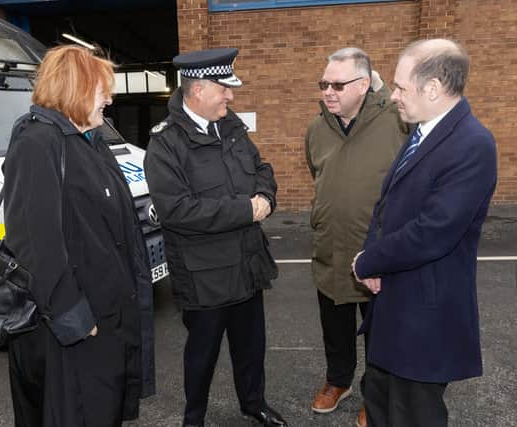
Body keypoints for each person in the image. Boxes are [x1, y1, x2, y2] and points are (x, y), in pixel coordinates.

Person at [2, 45, 154, 427]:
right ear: (75, 88)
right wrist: (75, 318)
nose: (110, 97)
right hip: (76, 330)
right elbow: (37, 243)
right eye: (102, 87)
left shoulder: (92, 141)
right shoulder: (37, 143)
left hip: (107, 323)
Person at [352, 39, 497, 426]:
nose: (394, 96)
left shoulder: (472, 144)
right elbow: (387, 207)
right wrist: (372, 261)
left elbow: (433, 231)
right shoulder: (422, 132)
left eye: (400, 86)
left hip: (425, 321)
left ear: (432, 88)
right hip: (392, 311)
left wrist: (367, 260)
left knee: (413, 416)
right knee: (380, 406)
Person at [144, 48, 287, 427]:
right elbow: (178, 211)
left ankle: (253, 403)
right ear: (198, 89)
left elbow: (262, 168)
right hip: (204, 276)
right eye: (224, 89)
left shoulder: (231, 126)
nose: (231, 96)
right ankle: (194, 418)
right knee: (202, 355)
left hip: (247, 263)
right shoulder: (165, 144)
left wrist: (266, 197)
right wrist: (247, 210)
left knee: (251, 347)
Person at [305, 47, 408, 427]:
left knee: (379, 330)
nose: (327, 91)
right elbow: (316, 172)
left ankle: (374, 394)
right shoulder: (317, 129)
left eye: (337, 84)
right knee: (334, 323)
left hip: (376, 253)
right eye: (323, 84)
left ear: (364, 84)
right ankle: (338, 380)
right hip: (330, 247)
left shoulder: (396, 122)